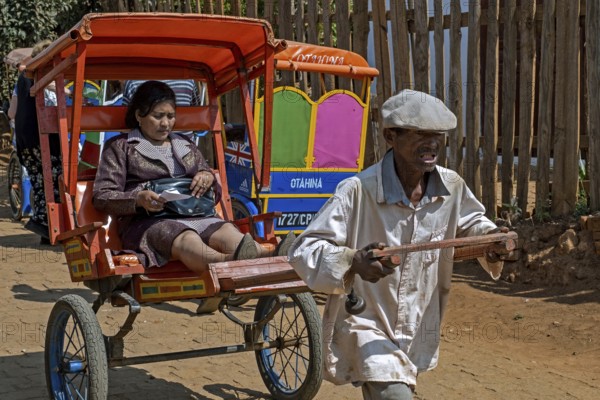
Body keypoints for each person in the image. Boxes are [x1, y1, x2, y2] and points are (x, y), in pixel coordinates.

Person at [288, 89, 511, 399]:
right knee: (394, 394)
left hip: (419, 321)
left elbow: (472, 223)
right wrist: (353, 261)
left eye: (437, 135)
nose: (432, 142)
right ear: (391, 136)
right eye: (421, 133)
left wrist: (492, 239)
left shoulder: (451, 187)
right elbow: (304, 249)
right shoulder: (357, 191)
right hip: (365, 321)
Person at [93, 80, 293, 274]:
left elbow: (214, 191)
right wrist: (138, 199)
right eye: (158, 116)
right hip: (149, 222)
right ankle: (227, 262)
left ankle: (272, 254)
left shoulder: (186, 144)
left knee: (227, 232)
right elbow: (102, 196)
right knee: (187, 238)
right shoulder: (121, 147)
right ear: (139, 115)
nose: (166, 123)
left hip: (198, 214)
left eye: (171, 116)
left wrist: (207, 177)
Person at [13, 40, 62, 244]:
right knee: (55, 180)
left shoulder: (22, 79)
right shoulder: (39, 73)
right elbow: (54, 87)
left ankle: (44, 225)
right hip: (42, 138)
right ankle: (47, 224)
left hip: (25, 141)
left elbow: (11, 112)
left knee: (40, 182)